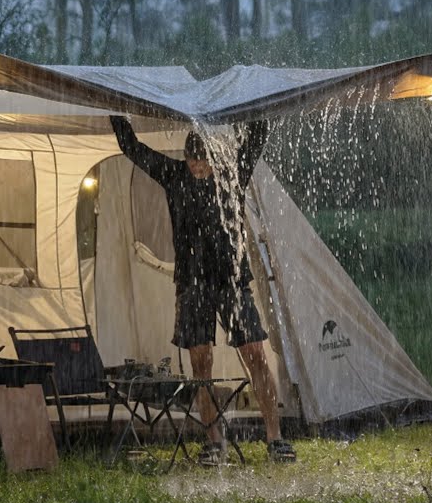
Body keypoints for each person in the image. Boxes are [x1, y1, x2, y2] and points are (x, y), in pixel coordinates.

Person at [109, 115, 295, 465]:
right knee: (201, 362)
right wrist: (117, 109)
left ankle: (276, 438)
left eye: (203, 164)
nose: (198, 170)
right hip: (192, 285)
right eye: (193, 164)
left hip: (231, 280)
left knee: (255, 352)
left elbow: (258, 133)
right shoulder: (174, 174)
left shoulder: (232, 174)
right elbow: (131, 148)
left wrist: (245, 104)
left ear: (213, 160)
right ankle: (214, 442)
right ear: (186, 159)